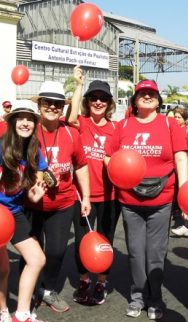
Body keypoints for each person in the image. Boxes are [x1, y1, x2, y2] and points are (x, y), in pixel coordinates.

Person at [104, 79, 188, 320]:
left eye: (152, 93)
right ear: (135, 100)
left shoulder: (170, 124)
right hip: (130, 201)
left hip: (161, 200)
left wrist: (184, 191)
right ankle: (137, 296)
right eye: (142, 93)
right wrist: (121, 175)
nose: (147, 96)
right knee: (135, 252)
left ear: (159, 99)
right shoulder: (123, 126)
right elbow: (108, 158)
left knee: (156, 252)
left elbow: (180, 158)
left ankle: (155, 297)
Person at [27, 81, 91, 313]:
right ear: (40, 105)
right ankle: (31, 293)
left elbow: (81, 166)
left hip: (63, 203)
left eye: (57, 104)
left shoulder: (70, 132)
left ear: (63, 107)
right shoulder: (28, 129)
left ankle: (49, 289)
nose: (52, 107)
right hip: (30, 203)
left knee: (55, 251)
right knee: (31, 253)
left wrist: (86, 197)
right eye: (47, 103)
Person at [67, 66, 120, 305]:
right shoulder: (82, 123)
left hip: (110, 195)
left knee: (106, 240)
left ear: (109, 103)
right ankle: (84, 279)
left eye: (103, 98)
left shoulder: (116, 129)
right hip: (83, 195)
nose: (98, 102)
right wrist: (79, 85)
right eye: (94, 97)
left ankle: (102, 283)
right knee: (82, 241)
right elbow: (69, 117)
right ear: (88, 101)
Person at [0, 100, 51, 322]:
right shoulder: (2, 147)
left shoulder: (33, 150)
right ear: (12, 122)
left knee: (37, 258)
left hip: (15, 212)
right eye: (20, 118)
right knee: (2, 269)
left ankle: (22, 315)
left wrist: (35, 193)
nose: (25, 122)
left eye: (29, 119)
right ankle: (3, 314)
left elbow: (32, 187)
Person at [169, 106, 188, 237]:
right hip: (173, 170)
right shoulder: (172, 131)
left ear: (186, 120)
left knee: (184, 197)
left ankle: (187, 225)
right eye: (175, 117)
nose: (176, 119)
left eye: (179, 117)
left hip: (185, 171)